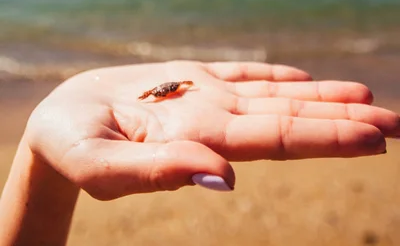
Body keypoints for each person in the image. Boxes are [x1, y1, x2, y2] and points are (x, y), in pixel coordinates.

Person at [0, 60, 398, 245]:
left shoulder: (177, 87)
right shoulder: (159, 94)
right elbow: (163, 93)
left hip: (172, 84)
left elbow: (178, 87)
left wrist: (39, 163)